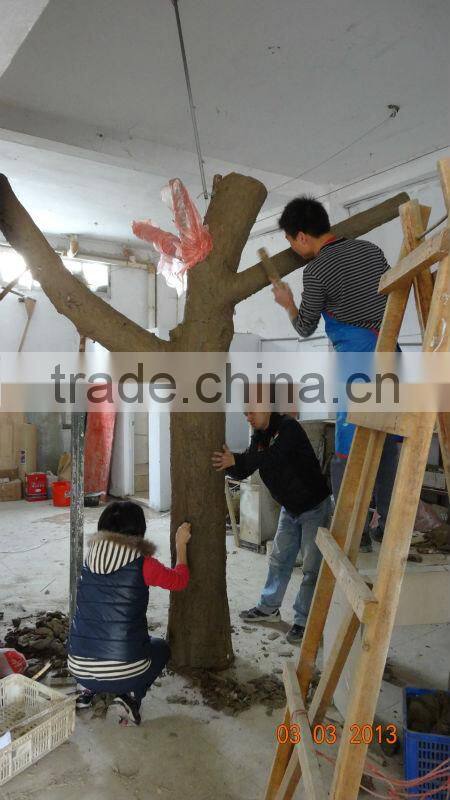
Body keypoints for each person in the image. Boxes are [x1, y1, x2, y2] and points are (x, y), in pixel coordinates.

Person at [272, 196, 400, 551]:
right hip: (391, 352)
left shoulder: (316, 270)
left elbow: (304, 327)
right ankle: (388, 525)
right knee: (390, 441)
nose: (294, 249)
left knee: (347, 448)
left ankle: (352, 529)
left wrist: (288, 304)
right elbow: (388, 296)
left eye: (290, 241)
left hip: (358, 362)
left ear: (300, 237)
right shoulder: (371, 250)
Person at [212, 410, 331, 644]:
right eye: (246, 412)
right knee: (279, 560)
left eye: (251, 411)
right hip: (290, 507)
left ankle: (304, 621)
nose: (248, 416)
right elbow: (248, 464)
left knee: (312, 568)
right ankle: (269, 608)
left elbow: (273, 457)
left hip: (314, 507)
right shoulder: (260, 434)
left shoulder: (289, 428)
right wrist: (229, 463)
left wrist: (237, 459)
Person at [68, 500, 191, 726]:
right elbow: (180, 581)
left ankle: (85, 690)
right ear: (139, 531)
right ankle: (131, 697)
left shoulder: (88, 559)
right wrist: (180, 545)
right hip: (125, 670)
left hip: (78, 666)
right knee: (161, 648)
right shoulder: (143, 564)